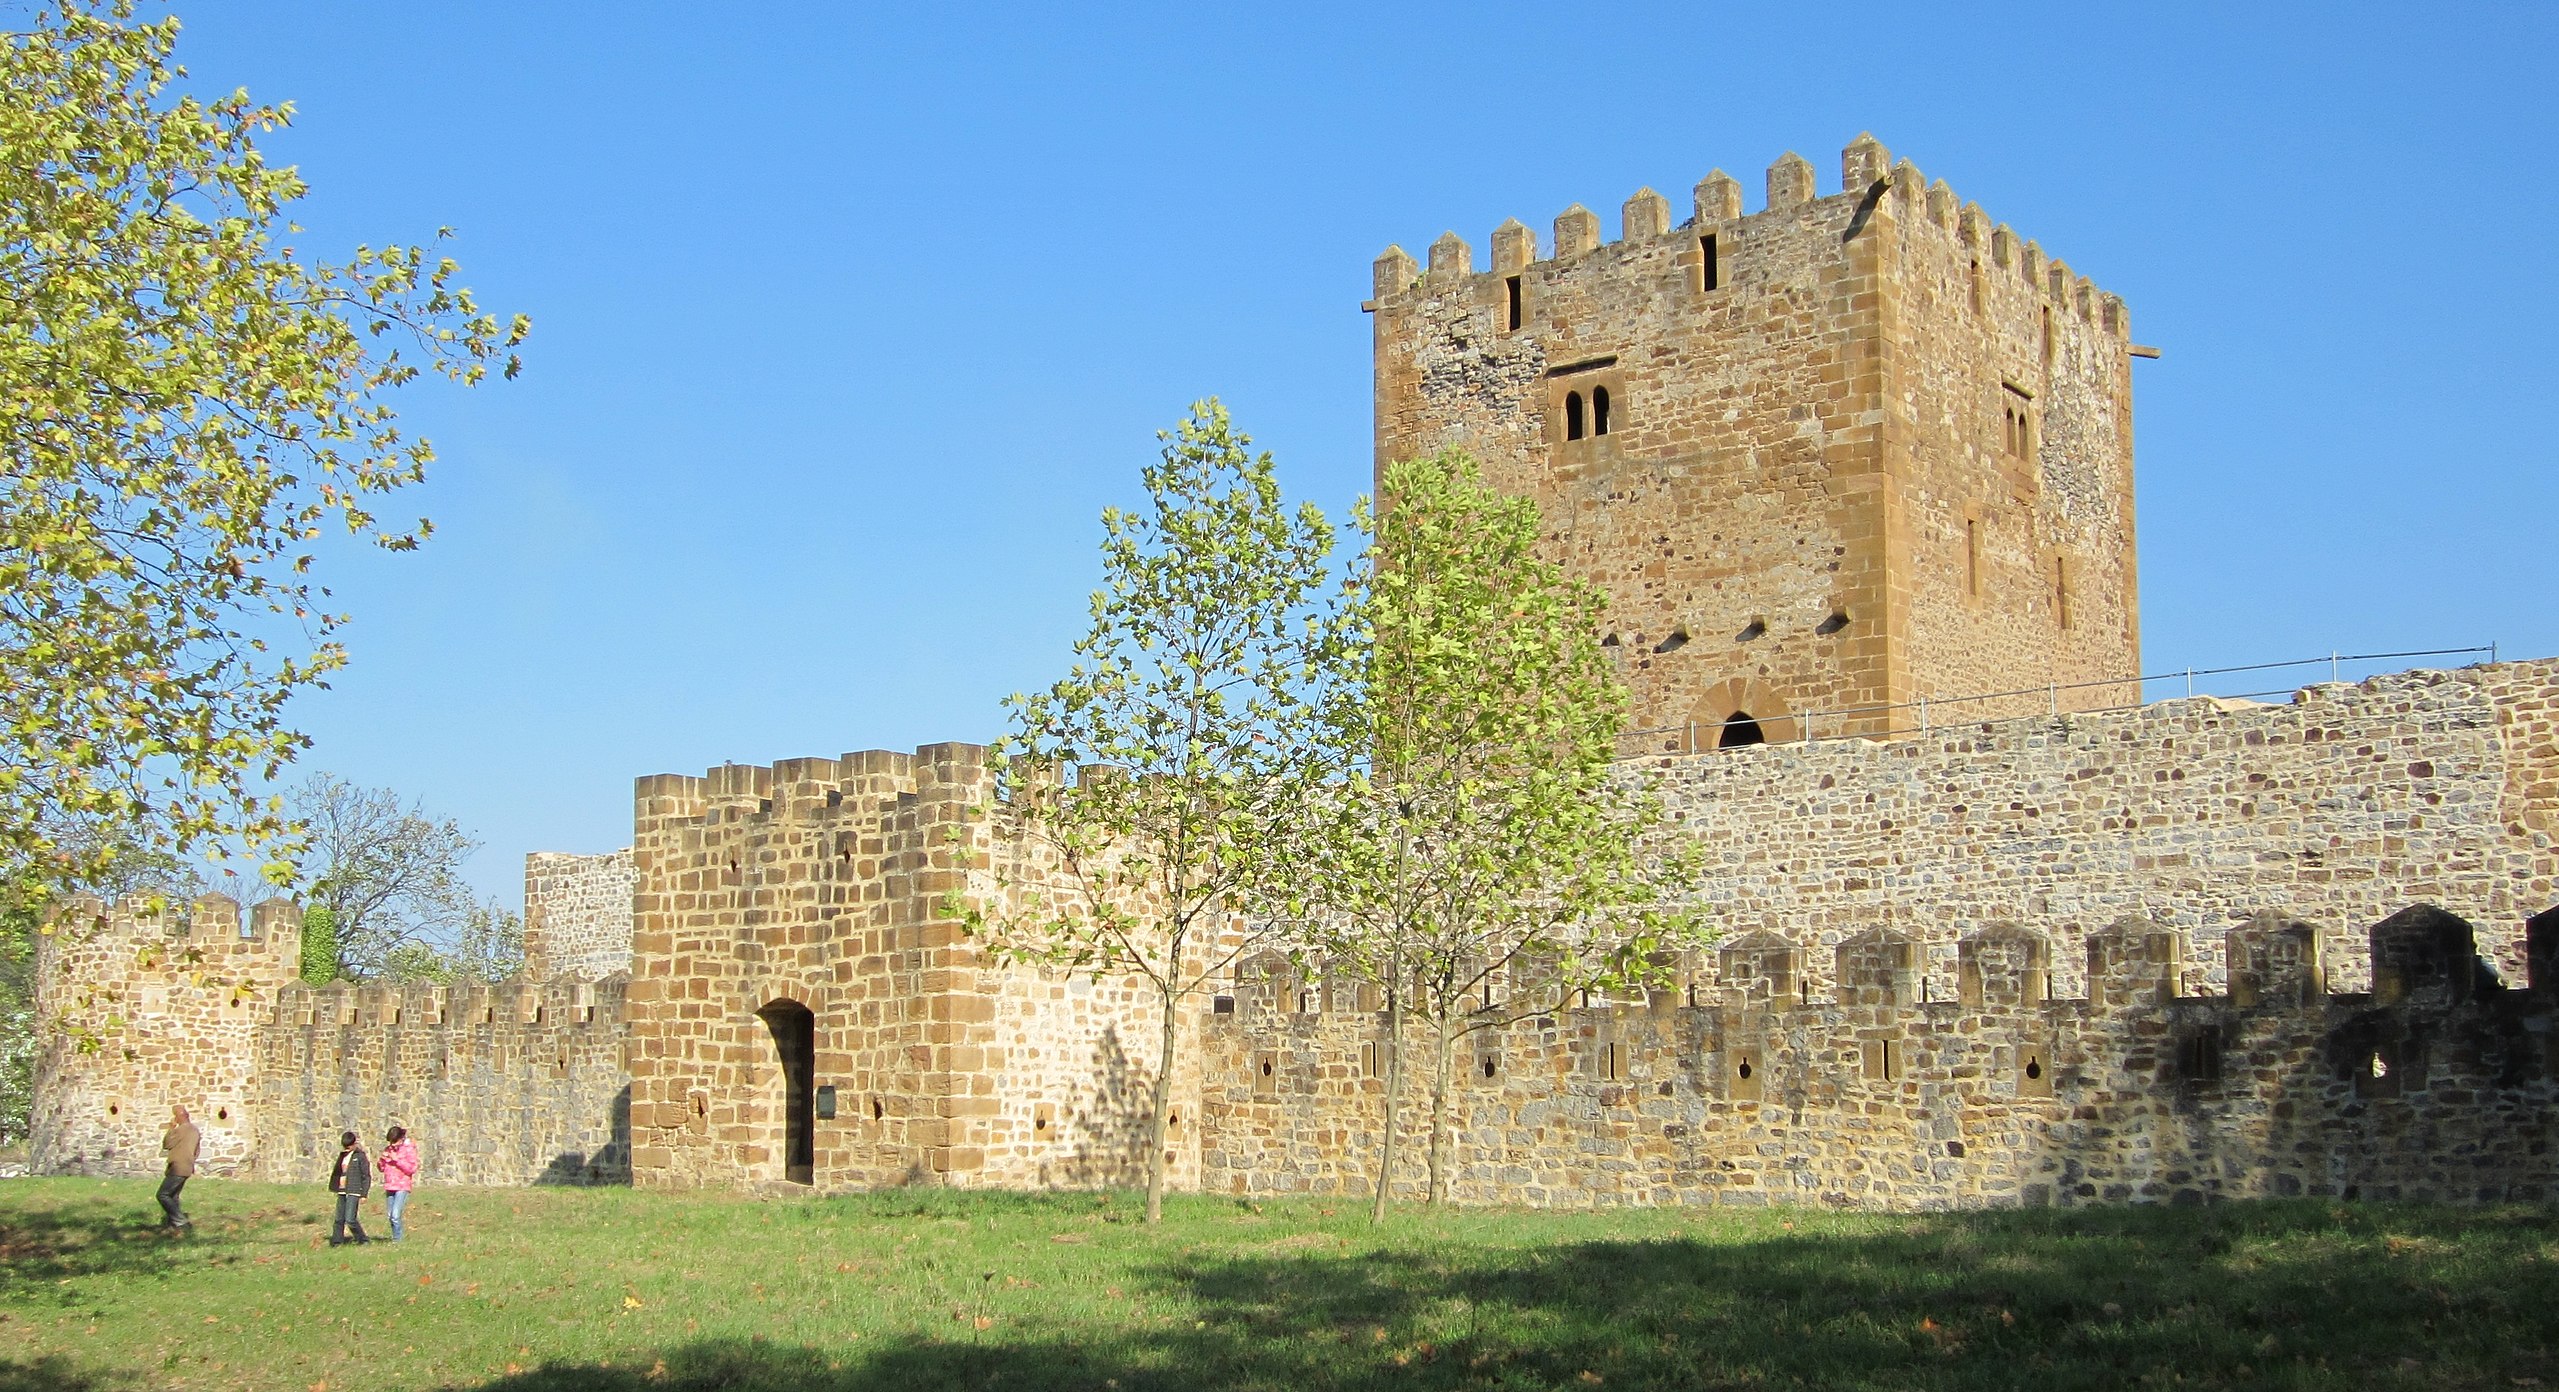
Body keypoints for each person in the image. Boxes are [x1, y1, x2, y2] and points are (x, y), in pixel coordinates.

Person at [157, 1104, 198, 1231]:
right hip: (187, 1166)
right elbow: (197, 1151)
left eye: (175, 1116)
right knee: (173, 1196)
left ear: (179, 1117)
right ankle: (173, 1225)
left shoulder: (181, 1130)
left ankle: (181, 1222)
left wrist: (171, 1128)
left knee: (163, 1195)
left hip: (177, 1167)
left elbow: (167, 1144)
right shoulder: (195, 1130)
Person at [328, 1130, 372, 1245]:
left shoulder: (360, 1156)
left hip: (354, 1190)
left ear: (354, 1144)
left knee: (350, 1219)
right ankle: (337, 1242)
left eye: (349, 1147)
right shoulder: (343, 1156)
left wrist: (364, 1194)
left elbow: (366, 1176)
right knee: (339, 1218)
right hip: (342, 1190)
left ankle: (362, 1239)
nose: (347, 1149)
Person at [378, 1125, 419, 1241]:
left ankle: (398, 1240)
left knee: (396, 1215)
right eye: (390, 1142)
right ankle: (395, 1236)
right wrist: (382, 1160)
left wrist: (396, 1160)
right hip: (390, 1185)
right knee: (390, 1216)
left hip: (402, 1186)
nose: (392, 1144)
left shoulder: (409, 1149)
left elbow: (412, 1168)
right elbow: (381, 1168)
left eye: (394, 1141)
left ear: (401, 1139)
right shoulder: (389, 1149)